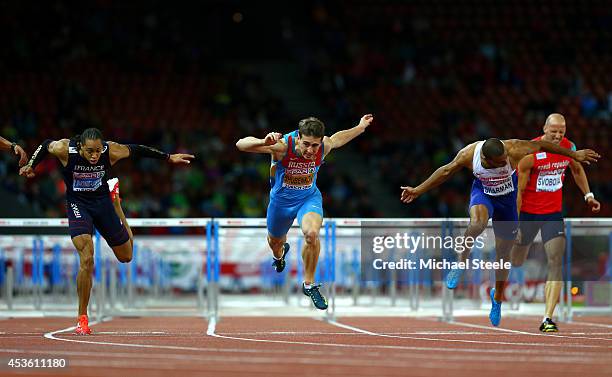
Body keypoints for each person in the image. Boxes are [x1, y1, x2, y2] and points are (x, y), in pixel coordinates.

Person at [400, 136, 599, 326]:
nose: (507, 162)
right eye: (501, 161)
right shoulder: (469, 154)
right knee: (477, 224)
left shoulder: (513, 148)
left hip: (507, 201)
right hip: (483, 194)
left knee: (503, 255)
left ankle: (497, 298)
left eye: (506, 158)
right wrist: (418, 189)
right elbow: (445, 171)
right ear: (487, 160)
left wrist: (574, 155)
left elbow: (544, 146)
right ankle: (460, 262)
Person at [20, 128, 194, 334]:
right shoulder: (66, 149)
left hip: (102, 203)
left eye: (97, 151)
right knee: (87, 258)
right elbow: (46, 142)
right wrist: (31, 165)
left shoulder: (110, 151)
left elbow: (136, 149)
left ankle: (118, 206)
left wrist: (168, 157)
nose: (95, 156)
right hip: (78, 205)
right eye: (90, 151)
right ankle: (82, 318)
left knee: (127, 256)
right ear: (81, 147)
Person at [236, 114, 374, 309]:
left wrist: (360, 127)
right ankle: (279, 255)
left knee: (311, 234)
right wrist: (262, 141)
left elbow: (338, 138)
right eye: (306, 144)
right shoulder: (283, 146)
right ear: (298, 138)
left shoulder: (323, 146)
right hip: (280, 203)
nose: (310, 150)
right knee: (275, 243)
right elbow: (241, 144)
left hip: (308, 198)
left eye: (315, 146)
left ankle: (309, 284)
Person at [511, 113, 601, 332]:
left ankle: (547, 318)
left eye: (562, 131)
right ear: (544, 128)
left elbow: (577, 169)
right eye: (554, 131)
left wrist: (588, 195)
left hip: (553, 214)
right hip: (528, 214)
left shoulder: (568, 148)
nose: (558, 135)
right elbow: (519, 190)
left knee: (555, 261)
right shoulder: (530, 152)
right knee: (516, 261)